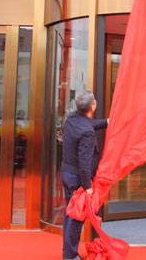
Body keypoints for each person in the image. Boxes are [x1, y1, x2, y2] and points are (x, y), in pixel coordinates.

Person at [61, 90, 108, 260]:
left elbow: (90, 124)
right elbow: (84, 162)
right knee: (76, 217)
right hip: (77, 179)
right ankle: (70, 256)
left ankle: (68, 251)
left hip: (66, 173)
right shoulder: (87, 132)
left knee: (69, 213)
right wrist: (87, 186)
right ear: (93, 106)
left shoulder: (72, 118)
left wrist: (108, 122)